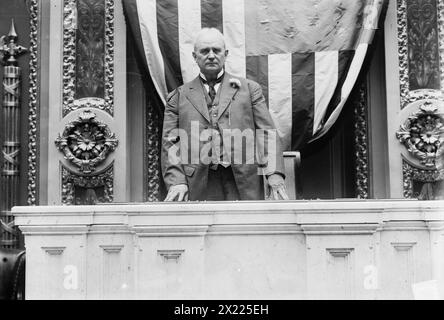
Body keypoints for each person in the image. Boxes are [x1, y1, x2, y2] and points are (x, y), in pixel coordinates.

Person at [161, 27, 288, 201]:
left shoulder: (250, 90)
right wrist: (177, 181)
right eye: (205, 51)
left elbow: (266, 134)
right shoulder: (178, 96)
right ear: (194, 57)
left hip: (244, 180)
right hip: (196, 183)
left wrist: (274, 173)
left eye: (216, 50)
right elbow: (170, 143)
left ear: (225, 54)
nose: (211, 55)